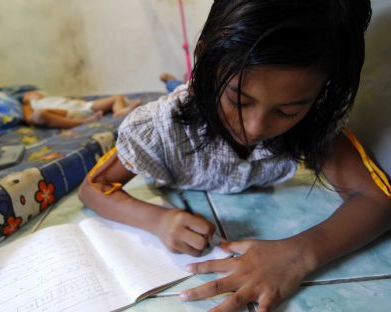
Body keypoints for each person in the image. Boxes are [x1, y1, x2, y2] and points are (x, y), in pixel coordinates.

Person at [78, 0, 391, 311]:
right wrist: (157, 221)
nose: (254, 128)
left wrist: (299, 254)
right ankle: (165, 84)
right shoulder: (160, 127)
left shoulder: (313, 126)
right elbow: (93, 188)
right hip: (184, 105)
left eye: (286, 111)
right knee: (158, 98)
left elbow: (377, 199)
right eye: (239, 101)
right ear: (206, 59)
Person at [22, 91, 141, 129]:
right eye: (30, 93)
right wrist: (27, 103)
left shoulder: (48, 97)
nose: (34, 94)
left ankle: (120, 111)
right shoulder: (29, 104)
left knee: (117, 97)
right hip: (62, 114)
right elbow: (29, 119)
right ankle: (84, 121)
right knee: (39, 115)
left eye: (35, 92)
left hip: (81, 106)